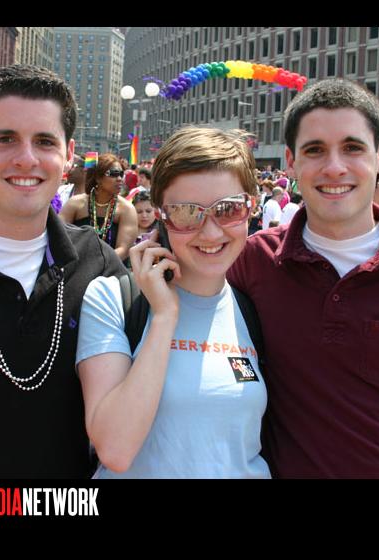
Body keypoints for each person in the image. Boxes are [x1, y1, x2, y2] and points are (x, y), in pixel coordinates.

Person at [0, 64, 126, 478]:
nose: (26, 158)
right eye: (5, 139)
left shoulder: (100, 264)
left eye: (45, 141)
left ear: (67, 155)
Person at [227, 78, 379, 478]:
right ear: (291, 162)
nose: (334, 167)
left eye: (352, 148)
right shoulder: (251, 261)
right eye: (315, 150)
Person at [75, 127, 270, 478]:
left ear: (251, 208)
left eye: (228, 209)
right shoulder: (113, 299)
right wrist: (164, 316)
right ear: (162, 215)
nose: (211, 232)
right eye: (186, 212)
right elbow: (115, 449)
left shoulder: (255, 306)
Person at [59, 153, 138, 262]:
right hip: (76, 265)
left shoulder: (127, 209)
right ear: (98, 177)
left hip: (112, 268)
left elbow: (123, 250)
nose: (120, 179)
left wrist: (95, 265)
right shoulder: (75, 204)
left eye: (121, 174)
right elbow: (59, 236)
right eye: (114, 174)